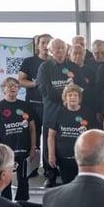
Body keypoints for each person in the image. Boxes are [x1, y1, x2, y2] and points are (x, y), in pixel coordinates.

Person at [36, 37, 85, 187]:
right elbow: (44, 89)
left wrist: (71, 98)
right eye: (56, 48)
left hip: (72, 110)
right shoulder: (45, 67)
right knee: (49, 140)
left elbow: (81, 86)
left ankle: (75, 170)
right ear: (50, 51)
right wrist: (66, 96)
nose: (60, 51)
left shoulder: (74, 67)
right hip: (52, 110)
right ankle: (50, 174)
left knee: (71, 138)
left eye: (62, 48)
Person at [0, 76, 37, 201]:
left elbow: (32, 129)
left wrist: (33, 147)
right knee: (5, 179)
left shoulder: (25, 106)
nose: (12, 88)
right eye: (9, 86)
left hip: (23, 150)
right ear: (3, 89)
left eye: (15, 86)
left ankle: (22, 206)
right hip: (6, 152)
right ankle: (5, 205)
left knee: (23, 179)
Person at [48, 84, 99, 185]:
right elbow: (51, 135)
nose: (72, 98)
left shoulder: (87, 113)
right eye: (69, 95)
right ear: (65, 98)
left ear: (79, 98)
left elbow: (93, 135)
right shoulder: (58, 113)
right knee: (67, 185)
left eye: (75, 95)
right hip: (64, 158)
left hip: (83, 158)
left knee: (84, 185)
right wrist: (51, 155)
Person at [18, 33, 51, 176]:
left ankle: (50, 169)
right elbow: (21, 80)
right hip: (32, 105)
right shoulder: (29, 61)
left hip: (51, 106)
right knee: (33, 137)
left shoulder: (56, 62)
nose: (45, 45)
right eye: (42, 42)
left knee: (50, 137)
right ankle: (33, 168)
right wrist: (36, 83)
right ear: (37, 45)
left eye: (48, 42)